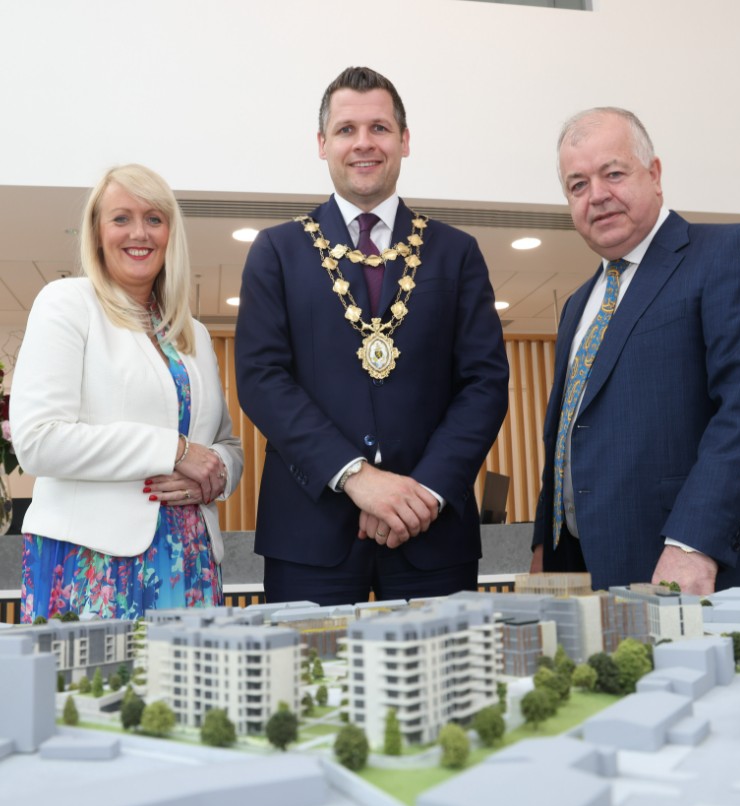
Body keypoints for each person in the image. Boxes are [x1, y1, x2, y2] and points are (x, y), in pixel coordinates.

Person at [235, 66, 508, 606]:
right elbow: (262, 380)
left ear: (404, 140)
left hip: (433, 535)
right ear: (322, 144)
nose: (364, 143)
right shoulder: (277, 252)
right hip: (310, 539)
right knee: (313, 690)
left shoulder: (456, 253)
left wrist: (423, 493)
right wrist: (357, 478)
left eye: (380, 128)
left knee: (443, 689)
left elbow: (485, 384)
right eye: (346, 129)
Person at [530, 107, 740, 594]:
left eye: (613, 173)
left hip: (697, 570)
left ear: (654, 174)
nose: (597, 195)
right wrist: (544, 549)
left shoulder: (730, 253)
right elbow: (569, 434)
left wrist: (693, 543)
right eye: (577, 185)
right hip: (594, 576)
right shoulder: (576, 306)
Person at [11, 164, 243, 621]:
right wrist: (174, 450)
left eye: (154, 219)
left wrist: (218, 472)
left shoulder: (192, 332)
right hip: (93, 564)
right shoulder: (68, 304)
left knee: (189, 692)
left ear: (170, 234)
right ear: (97, 233)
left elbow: (225, 446)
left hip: (189, 560)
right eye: (121, 218)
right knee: (96, 692)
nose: (140, 232)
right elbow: (38, 440)